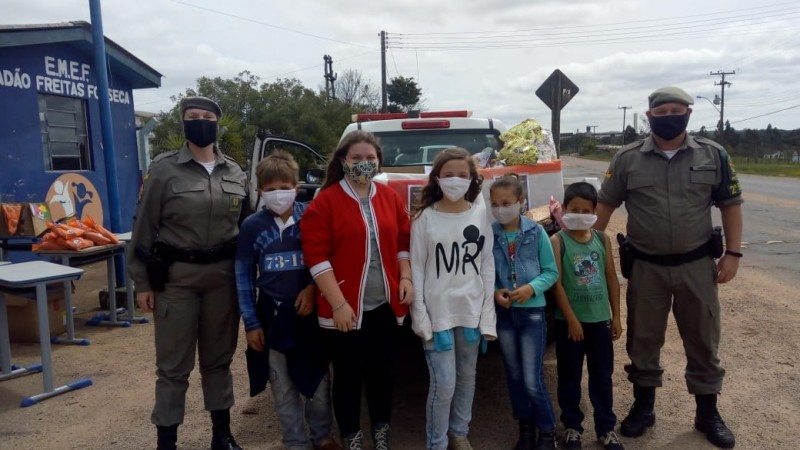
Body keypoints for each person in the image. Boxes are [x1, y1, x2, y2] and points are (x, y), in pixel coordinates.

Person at [595, 86, 743, 449]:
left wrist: (733, 255)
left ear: (689, 114)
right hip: (647, 267)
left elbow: (731, 204)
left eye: (677, 110)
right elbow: (603, 210)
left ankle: (707, 412)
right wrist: (578, 252)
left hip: (697, 265)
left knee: (703, 339)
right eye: (660, 113)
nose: (669, 117)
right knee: (643, 339)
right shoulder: (626, 159)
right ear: (649, 117)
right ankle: (644, 409)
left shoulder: (714, 154)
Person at [128, 96, 249, 450]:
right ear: (183, 123)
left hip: (221, 283)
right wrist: (142, 282)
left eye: (207, 117)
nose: (201, 122)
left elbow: (247, 228)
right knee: (173, 368)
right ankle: (167, 442)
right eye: (193, 117)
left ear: (217, 123)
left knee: (218, 362)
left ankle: (222, 437)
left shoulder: (235, 172)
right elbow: (144, 230)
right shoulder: (163, 170)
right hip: (176, 280)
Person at [300, 130, 413, 450]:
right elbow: (316, 255)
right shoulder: (326, 201)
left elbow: (403, 240)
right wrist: (338, 304)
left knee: (382, 373)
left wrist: (405, 278)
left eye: (370, 158)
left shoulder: (389, 196)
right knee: (348, 377)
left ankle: (381, 431)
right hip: (344, 309)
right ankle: (351, 435)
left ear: (379, 161)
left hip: (384, 305)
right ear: (342, 161)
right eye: (356, 158)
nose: (364, 163)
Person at [234, 151, 340, 450]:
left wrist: (311, 287)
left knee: (318, 380)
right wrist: (251, 322)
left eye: (285, 186)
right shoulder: (252, 226)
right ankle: (295, 441)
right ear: (260, 191)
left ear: (297, 187)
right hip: (272, 315)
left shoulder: (312, 216)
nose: (278, 193)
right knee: (281, 385)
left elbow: (327, 259)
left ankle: (322, 435)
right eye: (270, 189)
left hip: (309, 314)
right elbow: (242, 276)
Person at [409, 147, 496, 450]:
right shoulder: (424, 218)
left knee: (466, 377)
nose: (456, 180)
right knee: (443, 383)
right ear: (437, 178)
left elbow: (486, 266)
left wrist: (488, 317)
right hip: (437, 316)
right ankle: (437, 443)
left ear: (472, 179)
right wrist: (419, 314)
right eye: (449, 175)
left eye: (463, 175)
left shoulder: (481, 213)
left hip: (470, 313)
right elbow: (417, 267)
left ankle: (459, 432)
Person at [550, 182, 624, 450]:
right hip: (569, 324)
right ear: (564, 209)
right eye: (573, 209)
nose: (579, 214)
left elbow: (611, 280)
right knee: (569, 376)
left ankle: (606, 428)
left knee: (602, 376)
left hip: (600, 322)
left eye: (585, 210)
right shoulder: (557, 240)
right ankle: (572, 427)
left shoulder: (601, 239)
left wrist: (616, 317)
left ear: (594, 211)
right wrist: (571, 319)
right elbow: (556, 283)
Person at [489, 174, 559, 450]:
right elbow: (486, 273)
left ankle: (547, 431)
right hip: (505, 315)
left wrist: (532, 288)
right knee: (514, 375)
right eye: (494, 203)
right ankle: (526, 429)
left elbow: (550, 271)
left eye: (506, 202)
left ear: (521, 202)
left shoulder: (536, 232)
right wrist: (496, 290)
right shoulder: (491, 235)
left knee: (532, 377)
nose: (500, 208)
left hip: (532, 315)